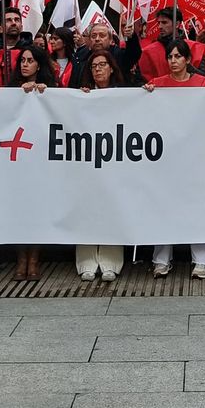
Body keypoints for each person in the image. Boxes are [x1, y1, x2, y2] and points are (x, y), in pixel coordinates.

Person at [147, 38, 205, 279]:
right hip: (166, 158)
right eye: (170, 56)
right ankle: (161, 259)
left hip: (196, 157)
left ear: (188, 59)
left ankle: (202, 260)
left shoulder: (204, 84)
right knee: (163, 205)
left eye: (178, 56)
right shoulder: (157, 85)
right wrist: (145, 96)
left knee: (198, 205)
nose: (173, 61)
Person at [75, 48, 131, 284]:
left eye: (102, 65)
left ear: (111, 68)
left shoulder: (125, 95)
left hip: (115, 159)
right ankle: (86, 262)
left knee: (112, 208)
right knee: (85, 208)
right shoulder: (80, 95)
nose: (97, 69)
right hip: (87, 161)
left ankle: (110, 262)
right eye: (93, 66)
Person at [9, 43, 58, 281]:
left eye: (30, 60)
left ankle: (34, 259)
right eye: (22, 61)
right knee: (19, 208)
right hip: (17, 161)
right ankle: (20, 259)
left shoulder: (52, 89)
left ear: (39, 63)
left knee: (37, 207)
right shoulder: (10, 89)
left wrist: (46, 93)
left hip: (41, 157)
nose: (25, 65)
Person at [0, 6, 32, 82]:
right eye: (8, 20)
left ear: (22, 27)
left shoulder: (32, 51)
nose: (13, 23)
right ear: (0, 29)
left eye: (17, 20)